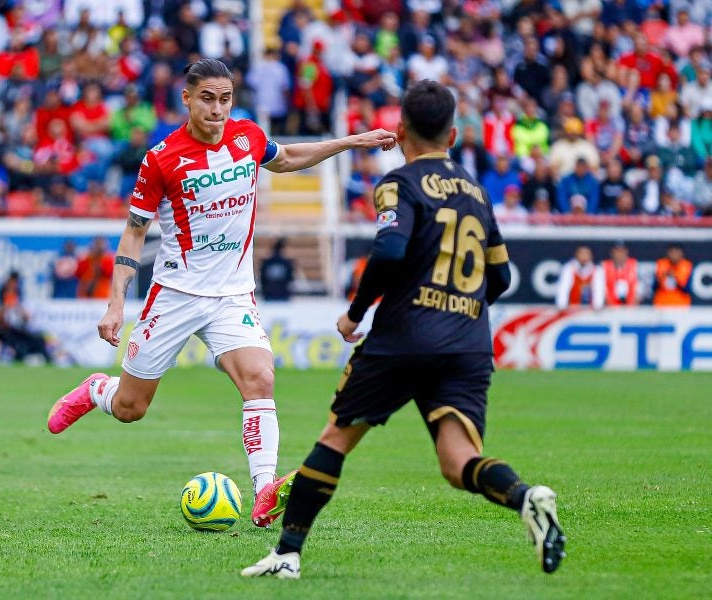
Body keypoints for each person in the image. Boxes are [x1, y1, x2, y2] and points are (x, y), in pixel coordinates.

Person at [45, 58, 397, 524]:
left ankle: (264, 489)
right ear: (187, 98)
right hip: (175, 294)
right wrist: (115, 304)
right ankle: (97, 391)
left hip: (232, 294)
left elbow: (287, 158)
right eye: (207, 99)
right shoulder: (161, 159)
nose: (217, 109)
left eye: (225, 99)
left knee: (260, 378)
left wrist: (351, 142)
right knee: (131, 408)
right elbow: (133, 234)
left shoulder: (247, 136)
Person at [241, 81, 565, 579]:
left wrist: (355, 313)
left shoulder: (400, 183)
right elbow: (500, 276)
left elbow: (390, 252)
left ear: (399, 131)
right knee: (459, 462)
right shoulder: (477, 192)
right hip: (467, 341)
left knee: (335, 439)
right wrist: (461, 310)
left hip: (405, 335)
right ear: (453, 134)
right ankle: (526, 497)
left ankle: (286, 554)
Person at [600, 242, 639, 307]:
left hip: (630, 308)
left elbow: (641, 288)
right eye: (617, 251)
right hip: (609, 308)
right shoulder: (604, 266)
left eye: (622, 251)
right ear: (612, 252)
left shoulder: (635, 265)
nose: (619, 254)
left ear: (626, 252)